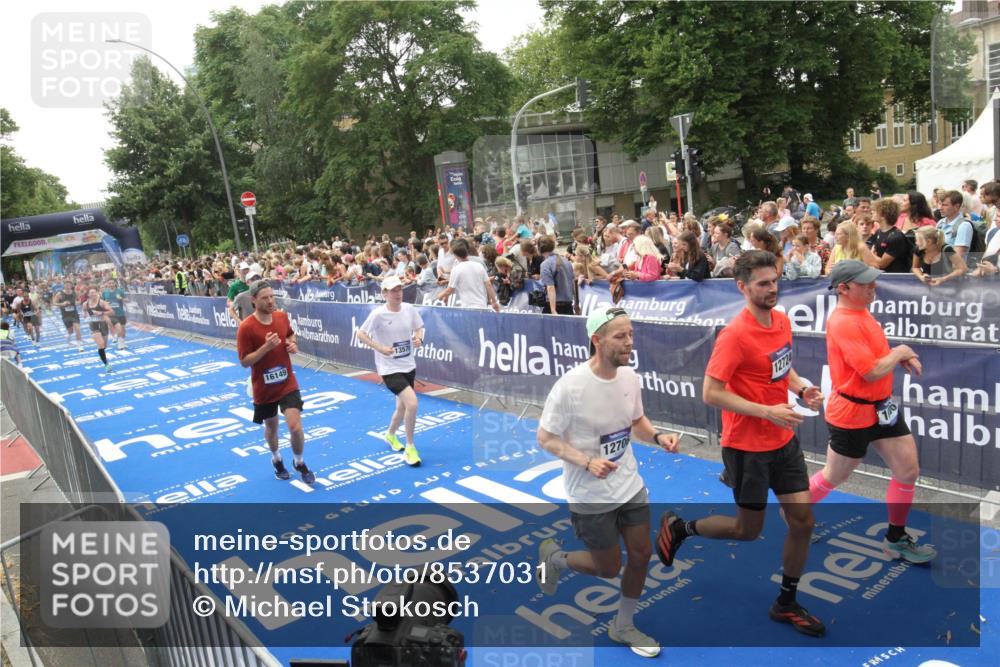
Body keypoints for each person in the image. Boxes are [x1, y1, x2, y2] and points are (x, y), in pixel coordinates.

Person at [656, 250, 826, 638]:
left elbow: (781, 366)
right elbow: (711, 393)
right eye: (763, 283)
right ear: (743, 286)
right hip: (747, 446)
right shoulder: (734, 335)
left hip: (784, 440)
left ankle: (786, 602)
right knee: (747, 531)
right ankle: (681, 527)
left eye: (775, 280)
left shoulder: (782, 321)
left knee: (803, 521)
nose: (772, 289)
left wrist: (802, 387)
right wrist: (765, 411)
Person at [536, 306, 681, 658]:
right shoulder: (569, 388)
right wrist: (586, 461)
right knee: (607, 568)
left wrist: (658, 436)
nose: (630, 342)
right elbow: (546, 438)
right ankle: (555, 557)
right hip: (590, 494)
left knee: (642, 553)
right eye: (620, 336)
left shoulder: (630, 377)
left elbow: (637, 421)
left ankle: (623, 625)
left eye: (631, 334)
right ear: (597, 340)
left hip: (629, 484)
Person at [807, 261, 938, 564]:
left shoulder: (861, 313)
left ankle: (896, 539)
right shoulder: (842, 321)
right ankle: (796, 512)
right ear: (843, 288)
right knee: (835, 475)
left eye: (872, 282)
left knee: (908, 470)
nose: (873, 287)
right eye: (865, 283)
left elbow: (876, 357)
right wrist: (901, 352)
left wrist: (896, 358)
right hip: (851, 413)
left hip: (882, 409)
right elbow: (870, 371)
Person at [237, 281, 314, 484]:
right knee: (271, 428)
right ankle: (277, 459)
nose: (270, 301)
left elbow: (290, 334)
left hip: (287, 381)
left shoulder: (281, 316)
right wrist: (266, 348)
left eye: (272, 296)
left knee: (296, 427)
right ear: (254, 300)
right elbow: (245, 361)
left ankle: (299, 462)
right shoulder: (246, 328)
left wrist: (293, 344)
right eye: (265, 298)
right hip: (263, 387)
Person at [356, 276, 424, 466]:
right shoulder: (378, 314)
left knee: (401, 408)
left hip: (408, 365)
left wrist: (419, 339)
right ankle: (410, 447)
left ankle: (390, 435)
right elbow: (360, 334)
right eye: (393, 290)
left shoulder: (409, 309)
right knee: (412, 403)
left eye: (400, 289)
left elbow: (419, 328)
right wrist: (378, 347)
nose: (398, 293)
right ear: (384, 293)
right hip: (388, 368)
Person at [434, 239, 501, 311]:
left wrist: (439, 296)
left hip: (468, 307)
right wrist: (494, 302)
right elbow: (488, 285)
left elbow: (450, 290)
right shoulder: (479, 266)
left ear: (455, 255)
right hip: (482, 305)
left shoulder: (456, 269)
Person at [869, 199, 912, 273]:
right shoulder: (878, 231)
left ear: (883, 215)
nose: (872, 212)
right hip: (882, 276)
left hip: (895, 279)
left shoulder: (896, 237)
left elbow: (882, 264)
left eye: (875, 211)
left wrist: (870, 254)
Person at [539, 235, 576, 314]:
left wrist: (553, 310)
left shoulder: (545, 264)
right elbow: (573, 283)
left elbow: (550, 287)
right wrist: (576, 303)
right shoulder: (566, 261)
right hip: (568, 305)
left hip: (554, 305)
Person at [82, 287, 115, 372]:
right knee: (100, 345)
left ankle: (104, 357)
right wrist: (85, 315)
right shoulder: (85, 304)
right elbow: (84, 311)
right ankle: (106, 364)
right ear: (88, 294)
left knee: (104, 346)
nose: (92, 294)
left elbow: (112, 312)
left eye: (94, 292)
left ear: (97, 293)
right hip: (93, 325)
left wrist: (101, 312)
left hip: (103, 324)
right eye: (91, 293)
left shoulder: (102, 303)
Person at [936, 190, 974, 261]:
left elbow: (958, 257)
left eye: (944, 205)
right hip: (938, 267)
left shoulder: (964, 226)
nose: (940, 208)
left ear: (957, 206)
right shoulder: (940, 223)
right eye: (940, 204)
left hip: (952, 270)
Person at [53, 282, 84, 351]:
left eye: (69, 285)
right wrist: (62, 304)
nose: (67, 286)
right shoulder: (60, 294)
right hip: (65, 315)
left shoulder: (74, 292)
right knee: (70, 330)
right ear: (64, 286)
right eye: (66, 285)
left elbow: (79, 300)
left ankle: (79, 346)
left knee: (78, 329)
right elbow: (54, 303)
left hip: (74, 314)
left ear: (71, 286)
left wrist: (77, 302)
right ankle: (68, 334)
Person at [102, 279, 128, 350]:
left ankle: (122, 342)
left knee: (123, 330)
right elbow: (101, 303)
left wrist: (121, 298)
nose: (111, 285)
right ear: (107, 284)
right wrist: (105, 303)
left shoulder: (120, 291)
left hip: (120, 313)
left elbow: (127, 300)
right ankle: (120, 344)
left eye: (112, 283)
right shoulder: (105, 292)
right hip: (111, 314)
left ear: (115, 284)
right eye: (109, 283)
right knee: (118, 328)